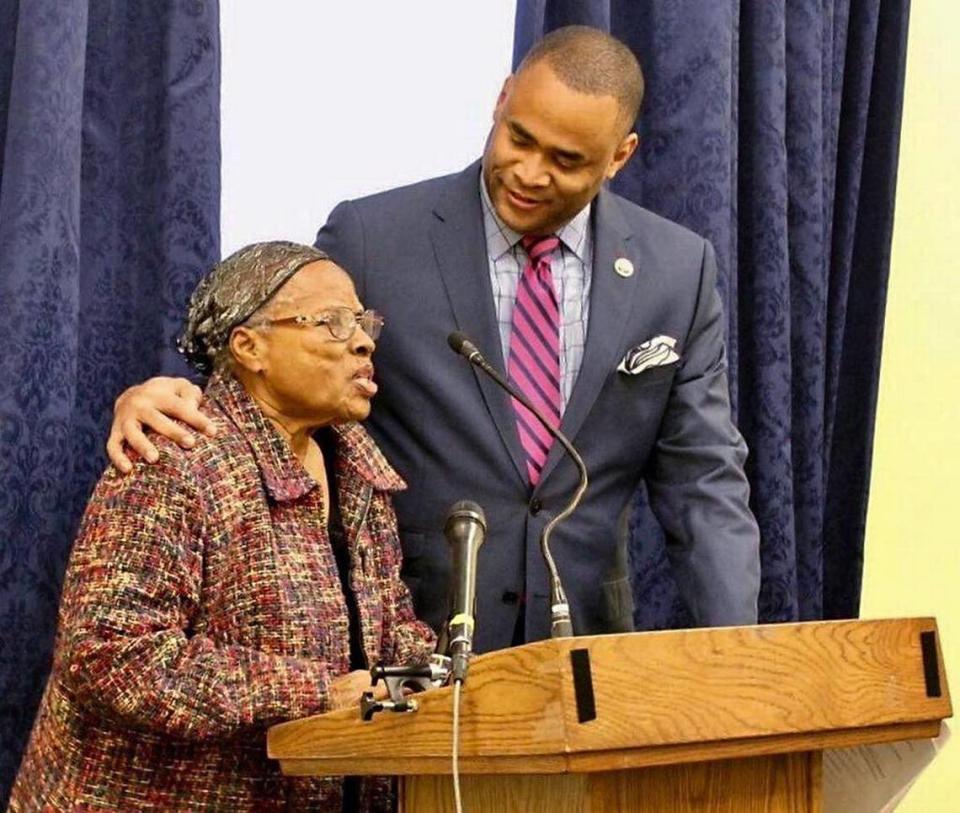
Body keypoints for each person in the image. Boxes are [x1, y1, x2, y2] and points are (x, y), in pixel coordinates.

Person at [107, 26, 761, 653]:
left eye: (566, 160)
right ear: (502, 100)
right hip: (406, 642)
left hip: (580, 649)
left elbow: (704, 484)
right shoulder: (373, 236)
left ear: (620, 155)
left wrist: (740, 660)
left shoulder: (678, 271)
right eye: (519, 138)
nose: (530, 173)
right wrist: (161, 397)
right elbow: (277, 363)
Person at [10, 242, 434, 811]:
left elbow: (389, 629)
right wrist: (315, 692)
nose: (362, 340)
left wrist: (440, 680)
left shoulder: (357, 470)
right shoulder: (176, 459)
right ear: (249, 346)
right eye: (332, 322)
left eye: (362, 322)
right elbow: (110, 655)